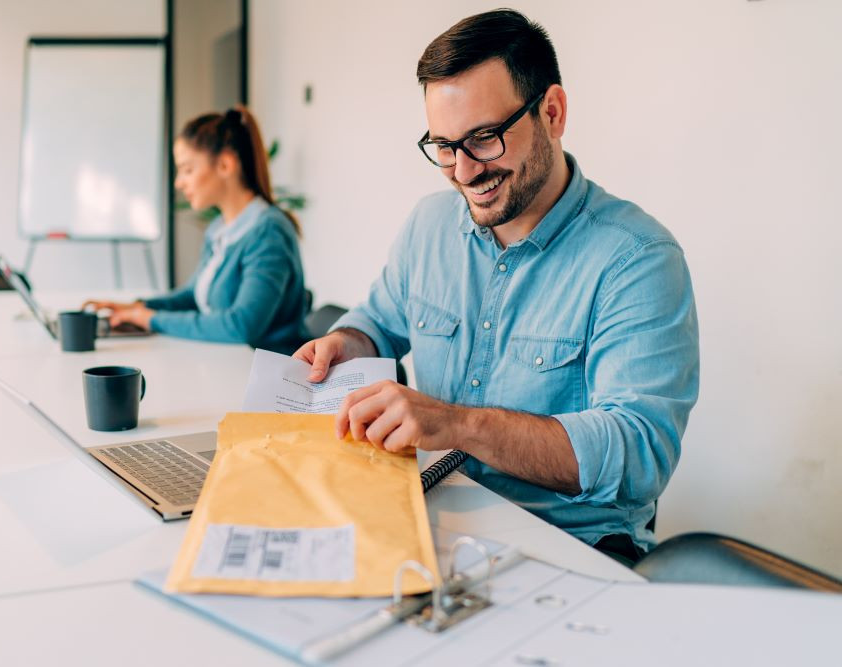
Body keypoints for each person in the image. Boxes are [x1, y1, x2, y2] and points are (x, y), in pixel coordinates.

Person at [294, 9, 699, 563]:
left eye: (484, 138)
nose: (463, 172)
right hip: (425, 520)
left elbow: (638, 455)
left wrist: (456, 424)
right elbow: (378, 323)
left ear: (552, 113)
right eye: (443, 146)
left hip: (570, 550)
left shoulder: (637, 260)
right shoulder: (428, 225)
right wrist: (347, 343)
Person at [86, 107, 308, 355]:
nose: (179, 182)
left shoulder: (268, 232)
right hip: (228, 362)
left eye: (187, 169)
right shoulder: (220, 229)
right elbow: (194, 296)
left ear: (225, 165)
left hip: (265, 376)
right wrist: (137, 307)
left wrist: (149, 318)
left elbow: (241, 326)